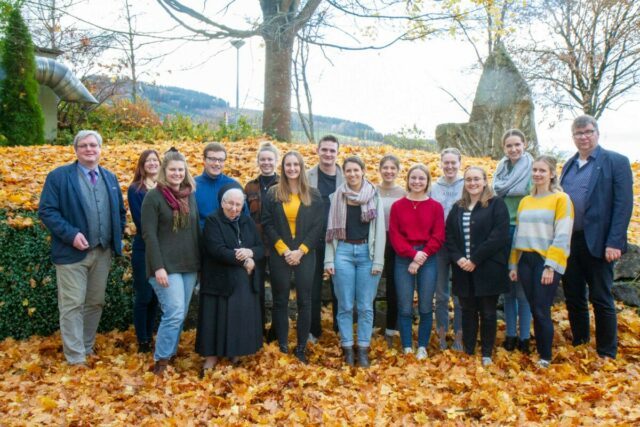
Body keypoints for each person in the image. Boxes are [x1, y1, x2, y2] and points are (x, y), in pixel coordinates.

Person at [39, 130, 126, 366]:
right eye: (84, 146)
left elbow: (119, 212)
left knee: (95, 302)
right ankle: (75, 358)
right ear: (76, 150)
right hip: (71, 255)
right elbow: (47, 211)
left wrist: (115, 238)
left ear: (100, 149)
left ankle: (86, 347)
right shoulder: (59, 177)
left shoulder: (110, 177)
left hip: (102, 252)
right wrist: (71, 234)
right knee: (72, 304)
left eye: (93, 145)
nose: (89, 149)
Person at [560, 115, 633, 359]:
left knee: (601, 298)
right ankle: (581, 343)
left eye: (588, 132)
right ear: (573, 137)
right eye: (579, 133)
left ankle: (606, 352)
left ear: (597, 133)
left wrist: (615, 241)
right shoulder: (568, 165)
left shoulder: (616, 162)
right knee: (574, 296)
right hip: (570, 241)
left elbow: (623, 205)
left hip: (600, 242)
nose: (584, 137)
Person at [510, 156, 574, 368]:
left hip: (545, 261)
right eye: (535, 170)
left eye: (542, 171)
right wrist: (513, 264)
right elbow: (518, 234)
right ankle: (541, 353)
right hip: (525, 260)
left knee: (541, 308)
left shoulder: (561, 199)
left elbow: (563, 234)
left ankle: (545, 357)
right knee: (533, 305)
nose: (537, 174)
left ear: (552, 174)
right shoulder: (525, 201)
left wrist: (551, 265)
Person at [141, 149, 201, 375]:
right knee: (174, 311)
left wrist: (201, 265)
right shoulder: (153, 197)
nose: (177, 173)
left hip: (189, 264)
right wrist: (158, 267)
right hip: (165, 267)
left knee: (181, 313)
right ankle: (161, 361)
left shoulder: (189, 195)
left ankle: (171, 352)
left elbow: (195, 230)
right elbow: (149, 234)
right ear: (164, 172)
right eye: (172, 170)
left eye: (180, 169)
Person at [261, 151, 324, 363]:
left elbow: (318, 226)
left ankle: (301, 348)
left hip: (305, 254)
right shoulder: (272, 193)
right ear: (283, 167)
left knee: (305, 301)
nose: (292, 168)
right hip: (281, 254)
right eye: (288, 165)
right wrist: (284, 250)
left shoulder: (313, 194)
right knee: (280, 300)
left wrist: (301, 250)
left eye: (296, 165)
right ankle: (283, 346)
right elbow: (267, 223)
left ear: (302, 167)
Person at [324, 156, 386, 367]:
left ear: (363, 171)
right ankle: (348, 348)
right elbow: (330, 232)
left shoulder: (374, 196)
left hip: (366, 254)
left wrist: (378, 261)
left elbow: (379, 232)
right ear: (344, 173)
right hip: (342, 252)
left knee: (366, 306)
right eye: (348, 171)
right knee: (345, 305)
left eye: (355, 170)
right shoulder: (337, 197)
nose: (352, 174)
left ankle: (363, 349)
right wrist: (329, 259)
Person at [196, 186, 265, 373]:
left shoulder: (247, 221)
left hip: (241, 280)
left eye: (238, 204)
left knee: (237, 317)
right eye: (230, 204)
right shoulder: (213, 220)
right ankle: (211, 357)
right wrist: (244, 261)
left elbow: (260, 247)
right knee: (214, 318)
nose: (234, 208)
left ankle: (235, 352)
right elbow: (216, 250)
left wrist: (250, 253)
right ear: (223, 203)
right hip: (217, 278)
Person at [446, 167, 510, 366]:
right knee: (467, 310)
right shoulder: (458, 207)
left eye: (476, 179)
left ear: (484, 181)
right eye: (468, 179)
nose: (472, 183)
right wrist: (459, 259)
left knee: (488, 312)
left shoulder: (496, 204)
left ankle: (487, 353)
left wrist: (474, 259)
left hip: (488, 267)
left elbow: (499, 236)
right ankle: (469, 349)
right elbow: (449, 236)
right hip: (462, 268)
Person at [389, 164, 445, 360]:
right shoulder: (398, 206)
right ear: (408, 180)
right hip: (404, 257)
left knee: (425, 306)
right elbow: (395, 236)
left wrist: (421, 256)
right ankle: (407, 346)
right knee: (404, 305)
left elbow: (438, 236)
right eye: (414, 178)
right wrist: (413, 255)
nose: (417, 182)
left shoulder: (435, 207)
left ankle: (422, 345)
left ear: (427, 181)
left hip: (428, 258)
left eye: (421, 178)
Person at [492, 129, 533, 353]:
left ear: (524, 144)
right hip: (503, 230)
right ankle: (510, 335)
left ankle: (525, 337)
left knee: (523, 289)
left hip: (525, 231)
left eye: (517, 144)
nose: (514, 149)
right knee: (508, 288)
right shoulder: (501, 169)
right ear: (504, 148)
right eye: (509, 146)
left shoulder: (531, 170)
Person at [307, 135, 344, 342]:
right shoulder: (307, 176)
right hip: (313, 239)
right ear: (318, 150)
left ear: (337, 153)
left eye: (332, 150)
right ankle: (313, 330)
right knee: (312, 286)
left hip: (338, 239)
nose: (328, 154)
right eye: (325, 150)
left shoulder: (345, 177)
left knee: (339, 286)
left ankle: (340, 329)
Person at [244, 142, 280, 339]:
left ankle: (275, 332)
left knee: (278, 290)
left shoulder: (283, 184)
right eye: (263, 159)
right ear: (258, 161)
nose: (266, 163)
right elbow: (244, 216)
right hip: (255, 246)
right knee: (255, 289)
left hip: (277, 246)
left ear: (276, 161)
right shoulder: (250, 186)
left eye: (270, 159)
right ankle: (257, 329)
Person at [430, 147, 464, 351]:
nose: (450, 166)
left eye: (453, 163)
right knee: (441, 294)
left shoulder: (466, 185)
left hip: (461, 246)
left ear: (459, 163)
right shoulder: (434, 187)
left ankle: (459, 337)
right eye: (446, 163)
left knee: (460, 295)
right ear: (441, 163)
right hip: (439, 245)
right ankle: (442, 336)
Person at [127, 149, 161, 353]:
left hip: (163, 250)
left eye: (155, 160)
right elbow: (142, 222)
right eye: (148, 161)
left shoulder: (166, 187)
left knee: (157, 296)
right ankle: (142, 339)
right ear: (142, 165)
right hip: (144, 248)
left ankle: (151, 334)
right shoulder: (136, 189)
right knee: (144, 295)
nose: (152, 164)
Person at [376, 154, 406, 349]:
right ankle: (370, 327)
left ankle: (390, 329)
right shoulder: (372, 190)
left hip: (396, 242)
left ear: (397, 170)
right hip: (375, 241)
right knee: (371, 284)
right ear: (380, 169)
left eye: (392, 168)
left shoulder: (403, 192)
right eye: (385, 167)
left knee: (394, 287)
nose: (388, 171)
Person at [194, 141, 248, 228]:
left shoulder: (234, 186)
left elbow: (245, 218)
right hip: (201, 238)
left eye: (221, 160)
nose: (217, 163)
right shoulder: (193, 185)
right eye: (212, 159)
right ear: (204, 160)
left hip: (229, 238)